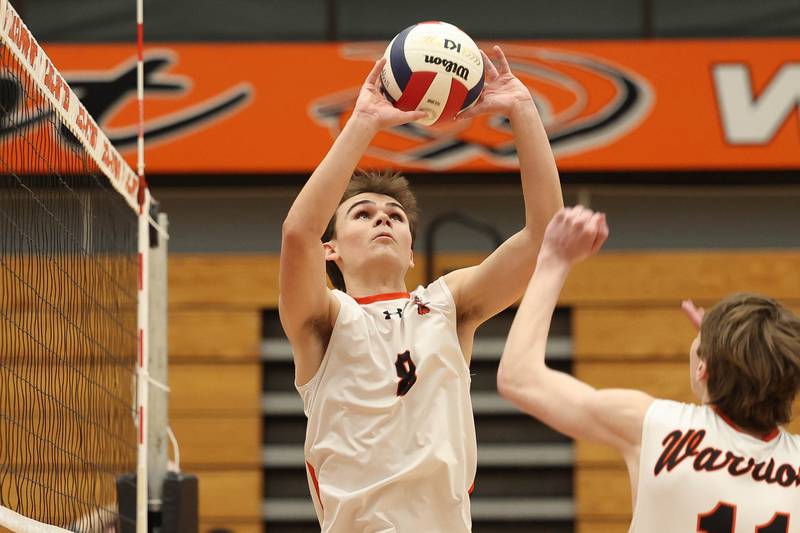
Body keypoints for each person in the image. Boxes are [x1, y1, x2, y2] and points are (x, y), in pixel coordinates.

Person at [279, 46, 563, 532]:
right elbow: (297, 233)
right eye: (362, 215)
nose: (382, 220)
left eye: (393, 217)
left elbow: (544, 235)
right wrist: (365, 120)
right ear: (332, 251)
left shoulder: (448, 304)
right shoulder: (323, 321)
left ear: (412, 252)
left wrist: (522, 110)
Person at [498, 205, 800, 532]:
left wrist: (555, 260)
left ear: (703, 370)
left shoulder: (657, 427)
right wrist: (732, 352)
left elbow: (519, 378)